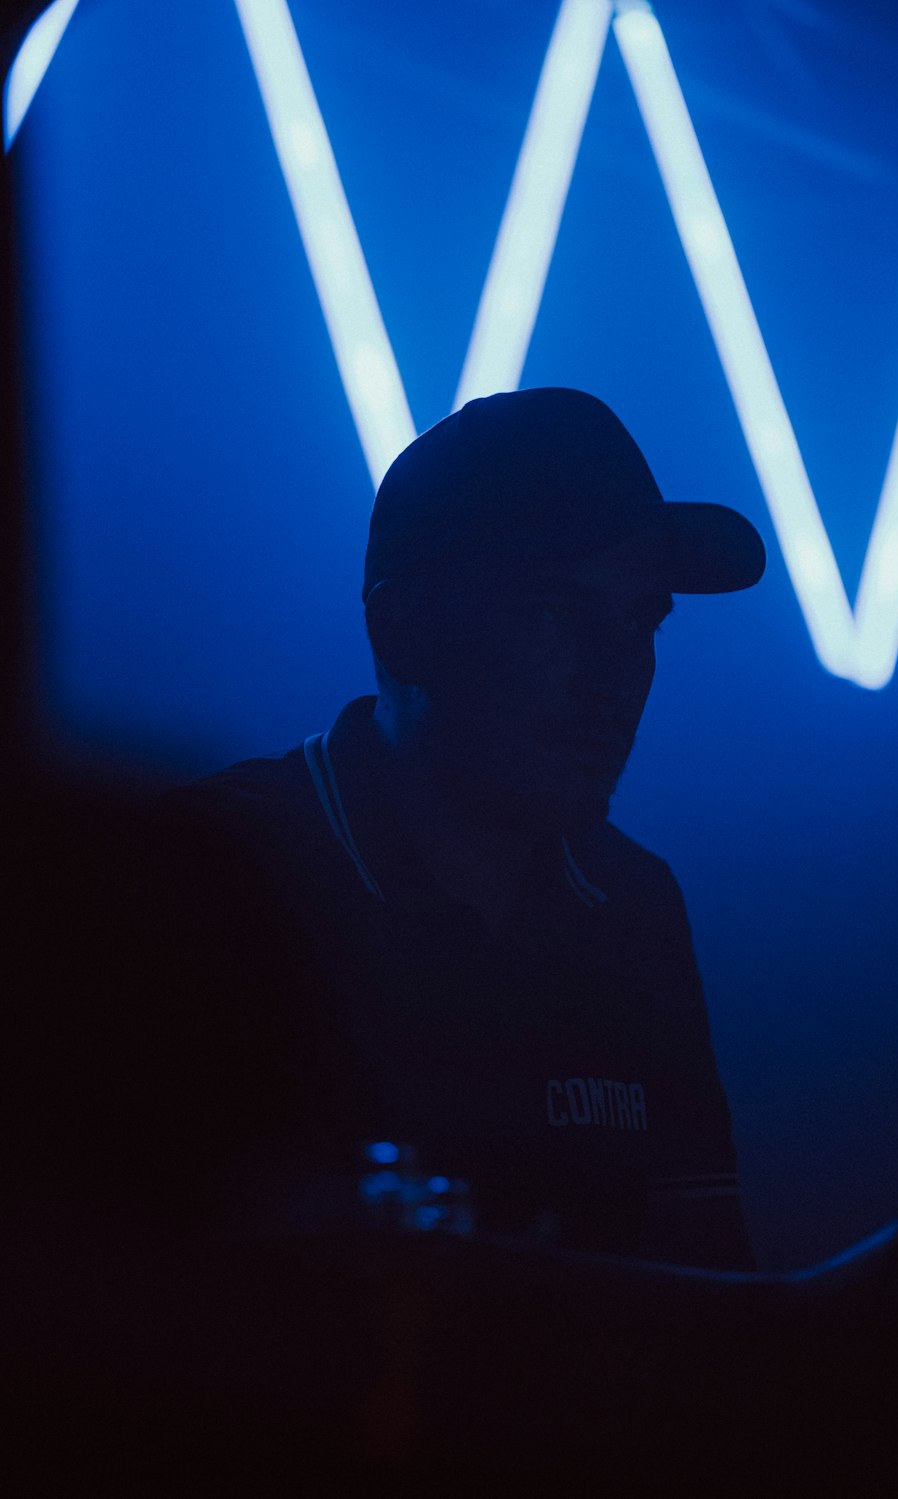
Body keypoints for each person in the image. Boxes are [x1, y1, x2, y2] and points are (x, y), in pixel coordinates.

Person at [165, 387, 766, 1268]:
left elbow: (713, 1299)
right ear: (401, 628)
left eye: (638, 621)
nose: (615, 680)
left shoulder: (633, 909)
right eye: (555, 611)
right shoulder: (216, 878)